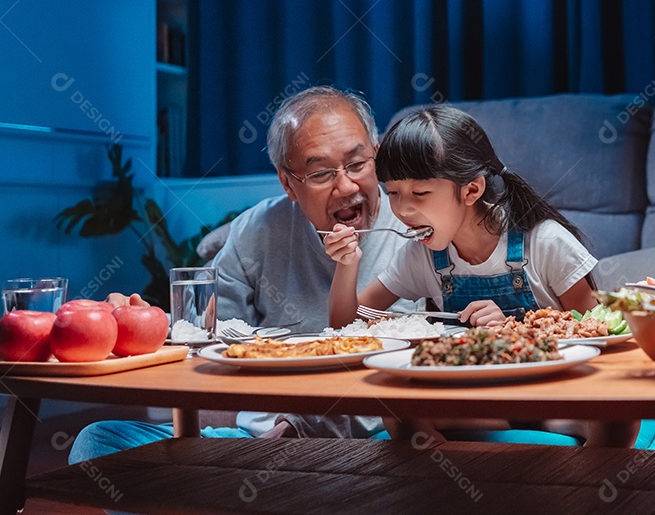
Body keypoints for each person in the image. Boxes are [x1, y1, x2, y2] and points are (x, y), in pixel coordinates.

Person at [70, 86, 419, 465]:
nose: (347, 186)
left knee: (415, 452)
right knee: (97, 444)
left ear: (377, 156)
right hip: (257, 441)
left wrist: (297, 428)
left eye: (357, 164)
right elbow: (205, 335)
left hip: (367, 438)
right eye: (321, 173)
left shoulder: (411, 229)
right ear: (288, 183)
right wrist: (141, 323)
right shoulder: (258, 229)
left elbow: (404, 369)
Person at [322, 106, 638, 446]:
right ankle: (437, 474)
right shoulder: (422, 256)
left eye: (420, 193)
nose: (403, 210)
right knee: (395, 403)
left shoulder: (545, 242)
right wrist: (347, 264)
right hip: (477, 401)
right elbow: (346, 326)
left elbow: (596, 334)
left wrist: (514, 332)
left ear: (471, 190)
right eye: (393, 193)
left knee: (616, 413)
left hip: (555, 398)